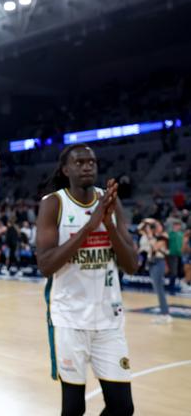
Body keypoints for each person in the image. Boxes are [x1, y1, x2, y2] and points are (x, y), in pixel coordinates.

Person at [36, 144, 138, 416]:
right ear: (66, 169)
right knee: (73, 408)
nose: (87, 166)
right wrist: (90, 226)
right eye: (79, 162)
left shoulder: (110, 202)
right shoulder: (54, 204)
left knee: (122, 407)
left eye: (91, 161)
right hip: (69, 320)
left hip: (109, 320)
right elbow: (45, 265)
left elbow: (132, 265)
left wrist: (109, 224)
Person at [138, 219, 172, 324]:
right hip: (151, 263)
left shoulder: (164, 236)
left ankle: (165, 314)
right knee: (157, 289)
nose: (156, 227)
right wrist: (147, 221)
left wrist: (149, 234)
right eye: (155, 225)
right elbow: (139, 229)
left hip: (159, 262)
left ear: (162, 226)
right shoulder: (153, 235)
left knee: (159, 289)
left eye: (158, 225)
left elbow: (155, 247)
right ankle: (163, 312)